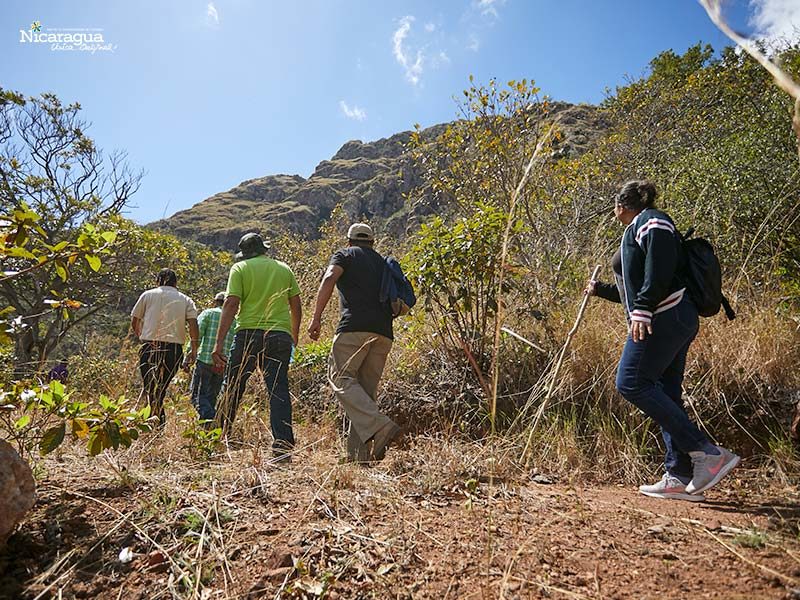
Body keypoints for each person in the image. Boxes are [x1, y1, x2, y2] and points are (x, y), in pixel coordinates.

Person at [586, 180, 739, 501]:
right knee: (665, 392)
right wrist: (601, 290)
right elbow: (642, 285)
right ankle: (680, 475)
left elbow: (660, 268)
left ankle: (706, 452)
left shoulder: (651, 220)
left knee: (631, 382)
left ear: (621, 206)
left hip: (665, 316)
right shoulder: (642, 226)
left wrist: (642, 309)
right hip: (671, 315)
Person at [308, 223, 401, 464]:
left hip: (353, 329)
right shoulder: (382, 262)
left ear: (349, 241)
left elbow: (330, 277)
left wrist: (316, 317)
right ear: (373, 242)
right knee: (365, 394)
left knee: (340, 378)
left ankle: (381, 426)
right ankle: (358, 457)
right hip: (383, 333)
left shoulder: (344, 255)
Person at [212, 233, 302, 460]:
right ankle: (282, 446)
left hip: (248, 334)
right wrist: (294, 333)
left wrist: (219, 342)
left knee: (233, 385)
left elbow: (231, 303)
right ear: (264, 249)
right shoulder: (284, 269)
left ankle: (217, 438)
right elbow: (296, 303)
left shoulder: (240, 269)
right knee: (278, 389)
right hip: (279, 335)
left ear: (245, 253)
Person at [131, 268, 199, 425]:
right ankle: (157, 424)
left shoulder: (147, 295)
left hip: (149, 346)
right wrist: (194, 350)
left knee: (151, 388)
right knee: (160, 389)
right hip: (173, 350)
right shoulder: (186, 300)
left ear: (157, 281)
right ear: (176, 283)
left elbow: (135, 320)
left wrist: (142, 337)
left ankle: (154, 423)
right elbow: (193, 325)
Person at [186, 292, 236, 422]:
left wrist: (190, 354)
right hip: (222, 363)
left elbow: (197, 335)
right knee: (212, 397)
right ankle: (210, 427)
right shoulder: (234, 320)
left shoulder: (208, 314)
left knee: (197, 396)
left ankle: (211, 418)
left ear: (215, 302)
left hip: (205, 360)